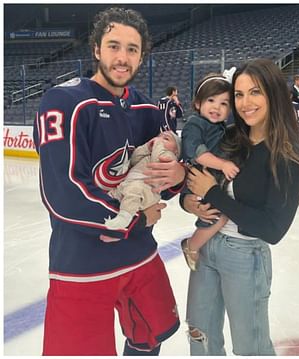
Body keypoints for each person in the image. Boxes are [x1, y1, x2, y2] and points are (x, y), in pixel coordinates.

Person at [33, 7, 186, 355]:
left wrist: (178, 175)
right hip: (83, 263)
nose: (122, 57)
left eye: (132, 49)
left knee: (150, 335)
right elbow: (63, 192)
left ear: (141, 55)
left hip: (140, 255)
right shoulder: (65, 102)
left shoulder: (147, 108)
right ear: (96, 49)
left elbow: (164, 176)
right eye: (114, 46)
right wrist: (135, 219)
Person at [182, 58, 299, 355]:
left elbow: (272, 229)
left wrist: (213, 194)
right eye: (239, 95)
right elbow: (197, 180)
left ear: (273, 93)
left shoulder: (287, 154)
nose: (245, 103)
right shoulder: (229, 137)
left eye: (255, 92)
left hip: (245, 256)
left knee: (250, 348)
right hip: (205, 248)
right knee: (199, 334)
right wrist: (189, 202)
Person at [179, 70, 240, 271]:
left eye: (224, 103)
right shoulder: (195, 123)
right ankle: (192, 245)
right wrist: (222, 164)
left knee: (220, 214)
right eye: (211, 100)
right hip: (200, 179)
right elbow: (197, 152)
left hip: (211, 181)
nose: (217, 107)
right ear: (198, 103)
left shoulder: (221, 127)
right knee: (217, 216)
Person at [105, 131, 181, 230]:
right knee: (113, 195)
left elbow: (157, 160)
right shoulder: (149, 154)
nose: (159, 139)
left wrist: (158, 144)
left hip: (146, 188)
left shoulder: (170, 158)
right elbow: (133, 160)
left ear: (176, 151)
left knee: (133, 193)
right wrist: (146, 148)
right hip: (128, 183)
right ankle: (108, 225)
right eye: (159, 137)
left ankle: (125, 217)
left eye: (166, 139)